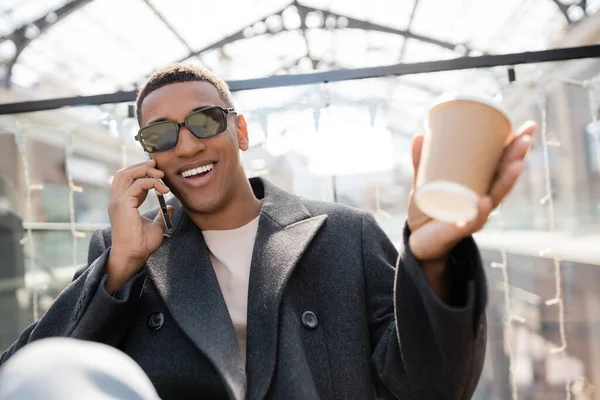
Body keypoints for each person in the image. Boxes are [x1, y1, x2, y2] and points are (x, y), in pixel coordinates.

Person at [0, 64, 536, 400]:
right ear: (149, 157)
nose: (187, 145)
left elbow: (431, 386)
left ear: (241, 130)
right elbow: (27, 376)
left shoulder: (344, 234)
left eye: (206, 121)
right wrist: (119, 268)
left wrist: (432, 261)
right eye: (162, 134)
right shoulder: (123, 258)